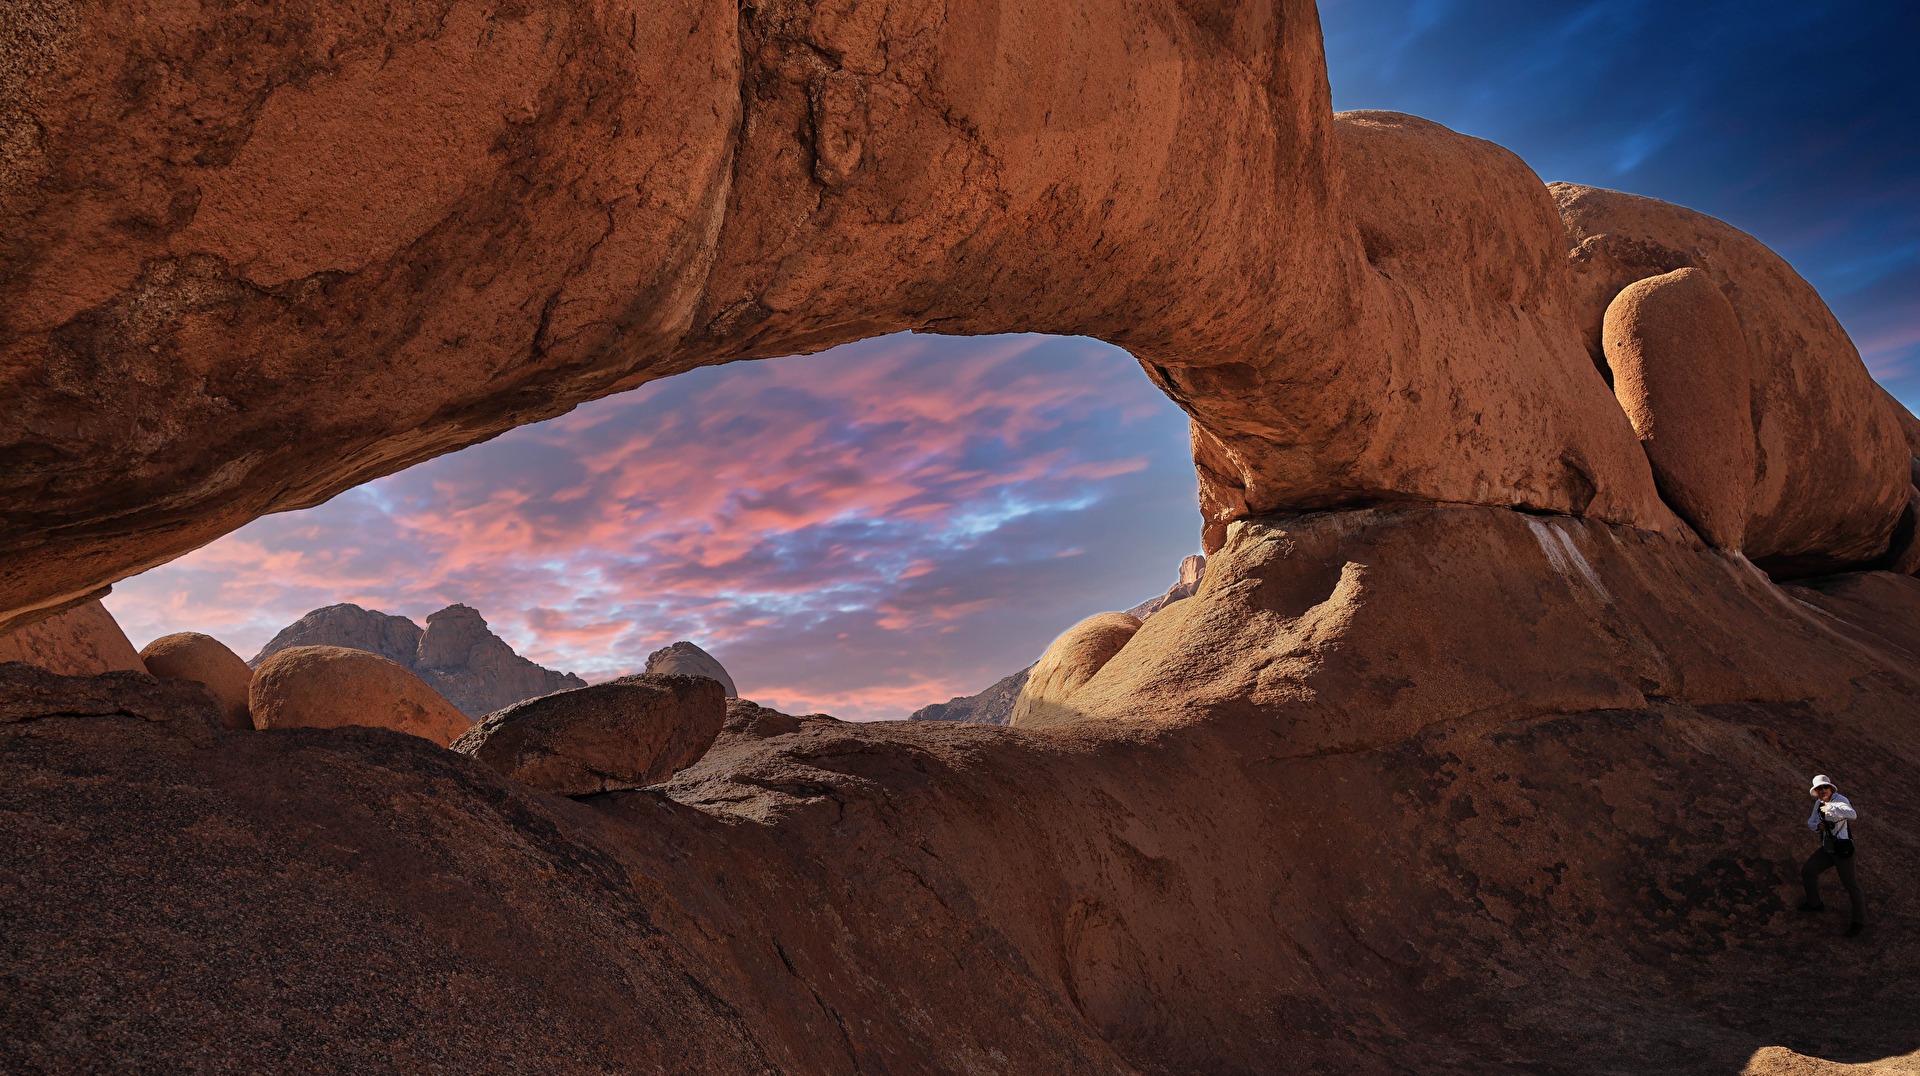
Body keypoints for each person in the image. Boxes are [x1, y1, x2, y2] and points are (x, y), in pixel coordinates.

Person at [1799, 774, 1864, 936]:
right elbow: (1810, 822)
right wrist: (1817, 826)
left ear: (1830, 788)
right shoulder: (1817, 804)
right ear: (1815, 791)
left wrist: (1831, 808)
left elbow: (1852, 814)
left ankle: (1860, 921)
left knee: (1851, 885)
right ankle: (1815, 903)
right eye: (1819, 788)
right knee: (1808, 871)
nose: (1822, 790)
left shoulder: (1840, 799)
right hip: (1828, 848)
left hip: (1843, 850)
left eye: (1825, 787)